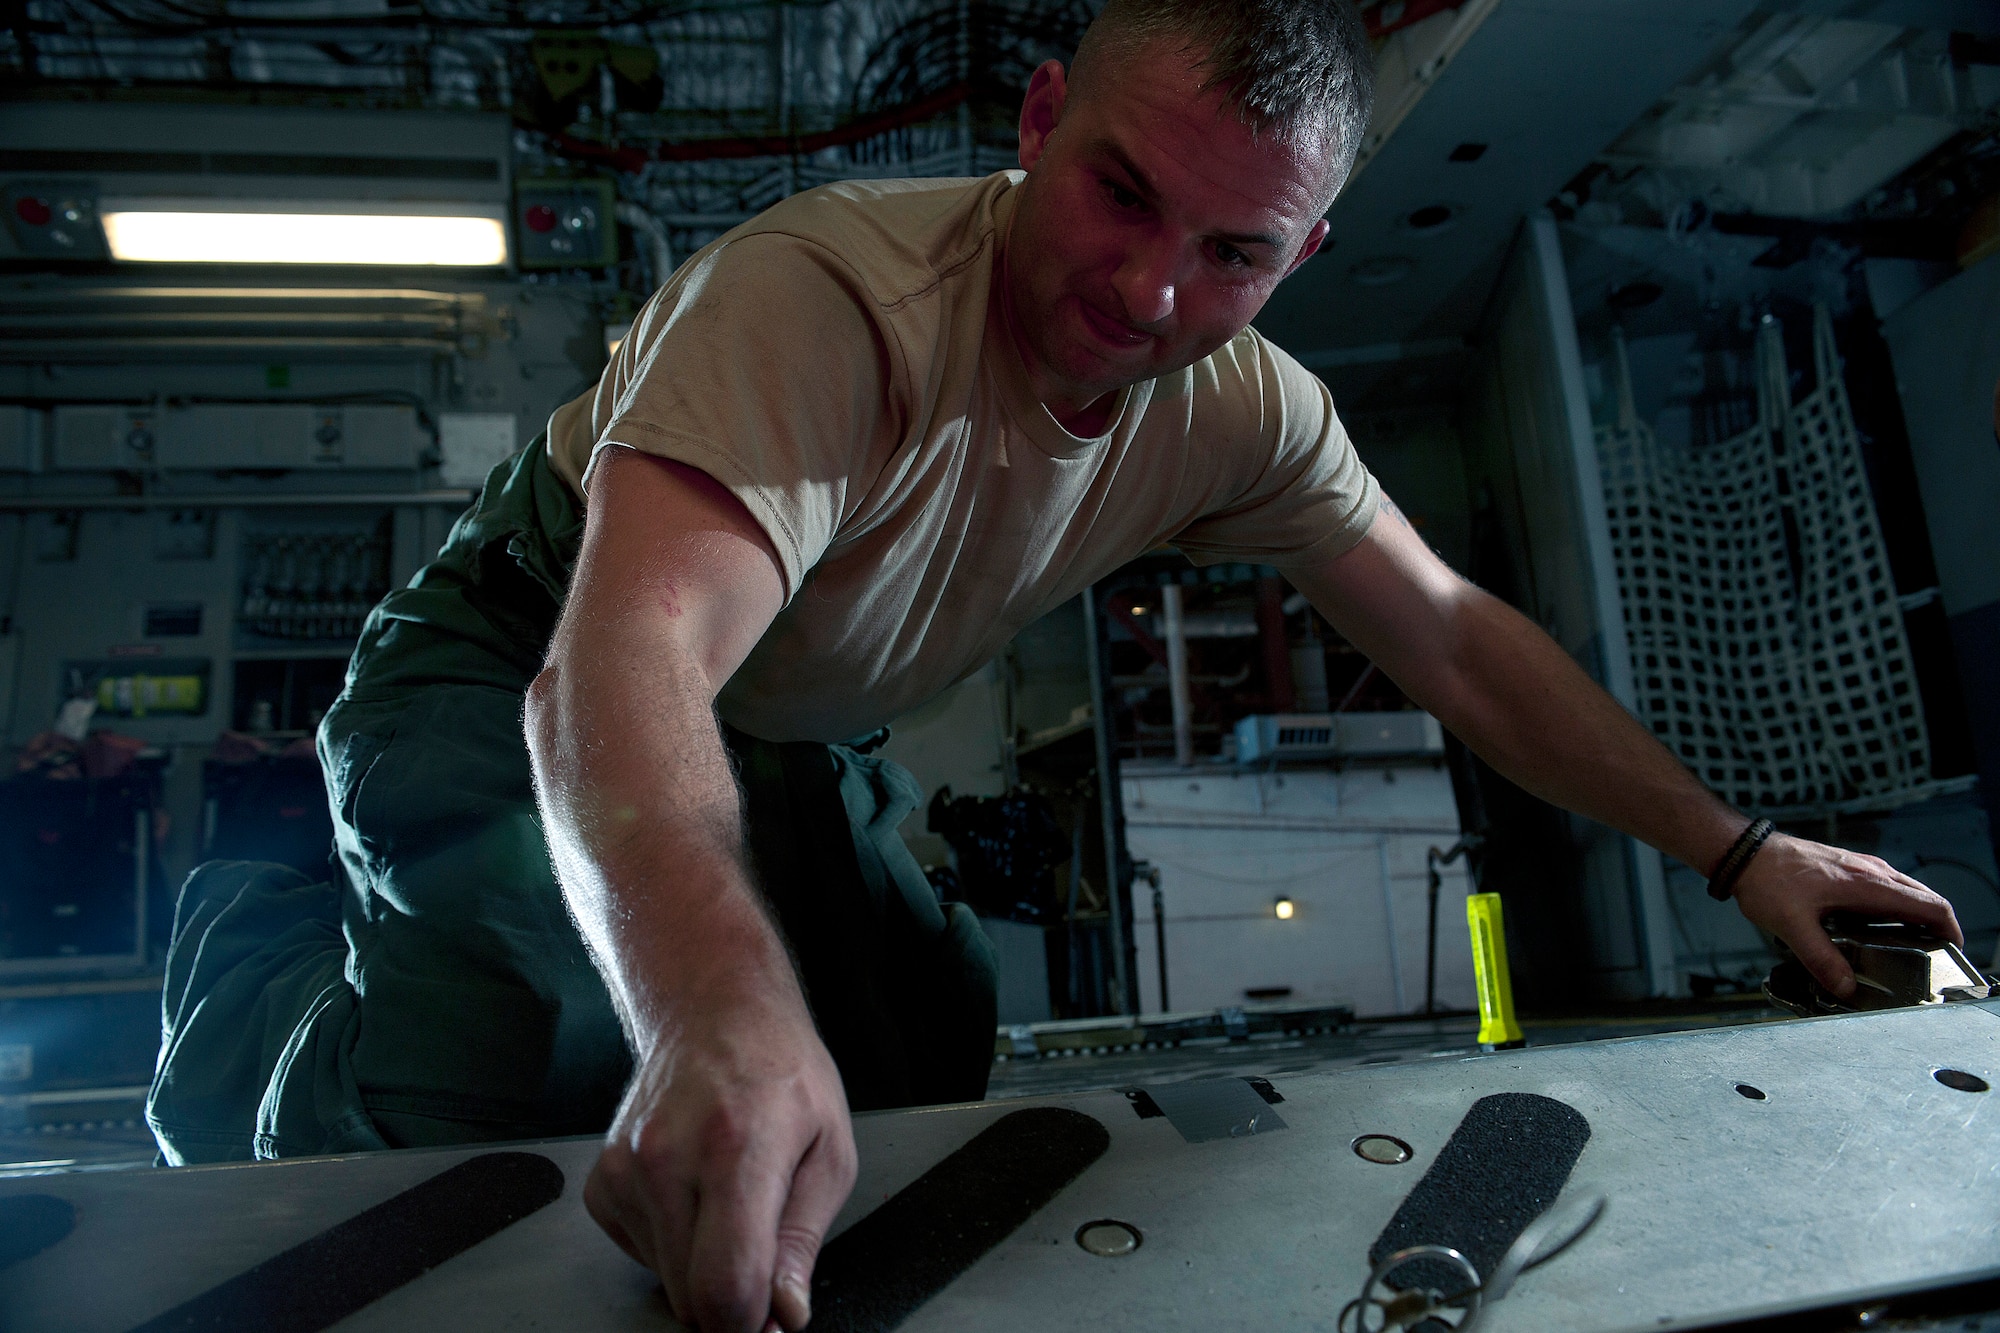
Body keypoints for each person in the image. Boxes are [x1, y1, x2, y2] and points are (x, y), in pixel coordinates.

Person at [146, 1, 1962, 1330]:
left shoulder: (1242, 404)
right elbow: (614, 669)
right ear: (1037, 118)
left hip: (796, 729)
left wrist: (1742, 851)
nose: (1150, 290)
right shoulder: (826, 302)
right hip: (518, 651)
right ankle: (254, 981)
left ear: (1301, 253)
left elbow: (1462, 641)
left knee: (923, 1054)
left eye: (1232, 251)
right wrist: (709, 1004)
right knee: (534, 1040)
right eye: (1120, 193)